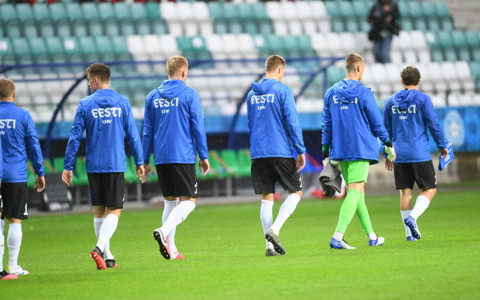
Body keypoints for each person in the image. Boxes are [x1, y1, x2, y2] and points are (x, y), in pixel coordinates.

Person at [62, 63, 145, 270]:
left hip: (94, 165)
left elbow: (74, 137)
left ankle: (108, 258)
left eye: (89, 79)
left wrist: (68, 165)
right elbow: (132, 135)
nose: (89, 83)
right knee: (115, 210)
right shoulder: (122, 102)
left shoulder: (85, 104)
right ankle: (99, 248)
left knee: (99, 211)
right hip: (115, 163)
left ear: (96, 80)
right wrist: (139, 160)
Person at [322, 53, 395, 250]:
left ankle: (372, 236)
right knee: (354, 191)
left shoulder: (331, 92)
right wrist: (388, 142)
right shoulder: (363, 93)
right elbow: (376, 121)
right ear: (359, 68)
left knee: (358, 193)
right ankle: (337, 236)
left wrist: (324, 151)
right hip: (360, 149)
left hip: (339, 150)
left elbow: (327, 124)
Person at [143, 56, 209, 260]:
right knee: (189, 201)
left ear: (168, 71)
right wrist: (203, 155)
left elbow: (147, 131)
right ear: (184, 72)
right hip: (183, 155)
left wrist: (143, 160)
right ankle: (163, 231)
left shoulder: (152, 96)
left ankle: (171, 250)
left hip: (162, 157)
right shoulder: (189, 94)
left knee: (170, 202)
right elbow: (197, 126)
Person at [246, 55, 306, 256]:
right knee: (296, 192)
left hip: (258, 151)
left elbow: (250, 124)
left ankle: (269, 247)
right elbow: (291, 122)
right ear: (280, 70)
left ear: (266, 69)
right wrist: (300, 149)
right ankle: (275, 230)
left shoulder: (251, 95)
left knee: (266, 198)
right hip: (279, 150)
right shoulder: (282, 90)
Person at [384, 66, 448, 241]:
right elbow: (433, 124)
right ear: (418, 81)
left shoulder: (390, 101)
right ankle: (413, 217)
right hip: (419, 153)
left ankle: (409, 235)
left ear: (402, 81)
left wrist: (388, 152)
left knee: (405, 193)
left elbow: (386, 130)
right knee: (430, 189)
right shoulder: (423, 100)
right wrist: (442, 146)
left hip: (399, 154)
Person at [0, 79, 46, 278]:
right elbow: (33, 146)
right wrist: (39, 172)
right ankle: (13, 266)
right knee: (15, 220)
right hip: (15, 175)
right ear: (14, 94)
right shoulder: (23, 115)